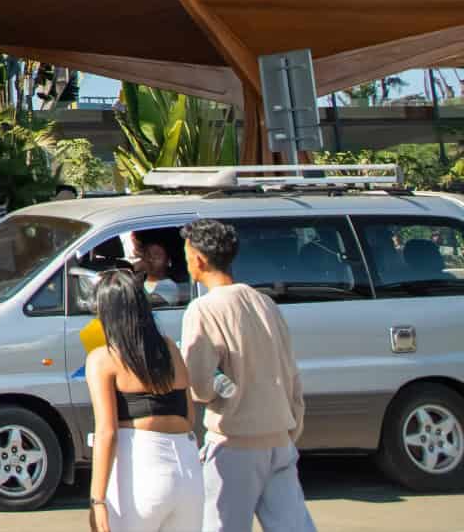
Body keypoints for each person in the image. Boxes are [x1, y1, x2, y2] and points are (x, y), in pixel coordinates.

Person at [179, 219, 314, 532]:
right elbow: (291, 371)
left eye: (187, 255)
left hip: (235, 442)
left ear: (198, 258)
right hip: (280, 436)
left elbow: (199, 386)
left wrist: (220, 384)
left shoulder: (203, 310)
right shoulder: (264, 302)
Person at [87, 269, 199, 532]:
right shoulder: (170, 348)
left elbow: (107, 433)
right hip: (188, 471)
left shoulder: (103, 359)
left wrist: (97, 499)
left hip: (141, 471)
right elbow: (190, 416)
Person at [136, 241, 180, 305]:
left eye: (157, 256)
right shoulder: (138, 280)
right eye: (148, 255)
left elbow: (156, 302)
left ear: (168, 261)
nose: (151, 259)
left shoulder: (169, 285)